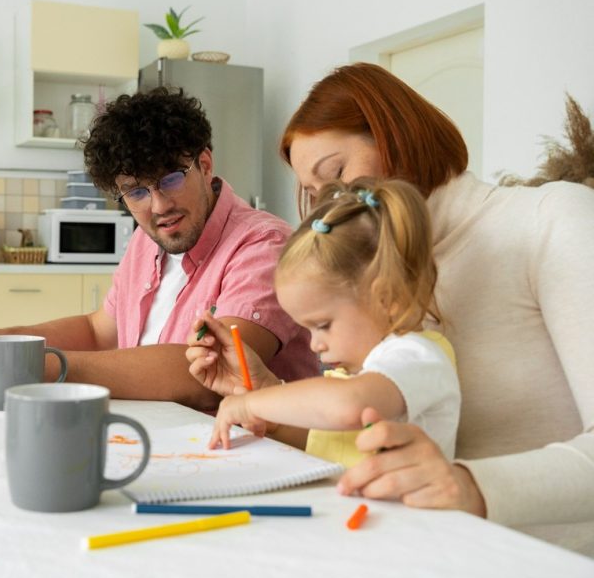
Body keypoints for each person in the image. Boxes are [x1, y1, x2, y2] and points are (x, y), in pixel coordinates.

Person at [275, 62, 594, 555]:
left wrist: (469, 485)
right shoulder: (379, 275)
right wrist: (265, 399)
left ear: (394, 133)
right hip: (431, 550)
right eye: (316, 195)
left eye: (336, 174)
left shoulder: (551, 219)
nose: (328, 206)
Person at [0, 87, 317, 409]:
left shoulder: (265, 245)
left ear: (205, 163)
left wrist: (29, 365)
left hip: (245, 452)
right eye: (136, 191)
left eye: (171, 179)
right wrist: (0, 343)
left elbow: (213, 374)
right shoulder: (148, 239)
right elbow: (98, 330)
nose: (158, 206)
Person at [189, 178, 460, 470]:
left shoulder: (417, 355)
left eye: (323, 325)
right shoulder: (360, 375)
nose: (316, 345)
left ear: (385, 297)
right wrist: (268, 408)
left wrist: (252, 404)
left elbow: (348, 407)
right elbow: (332, 443)